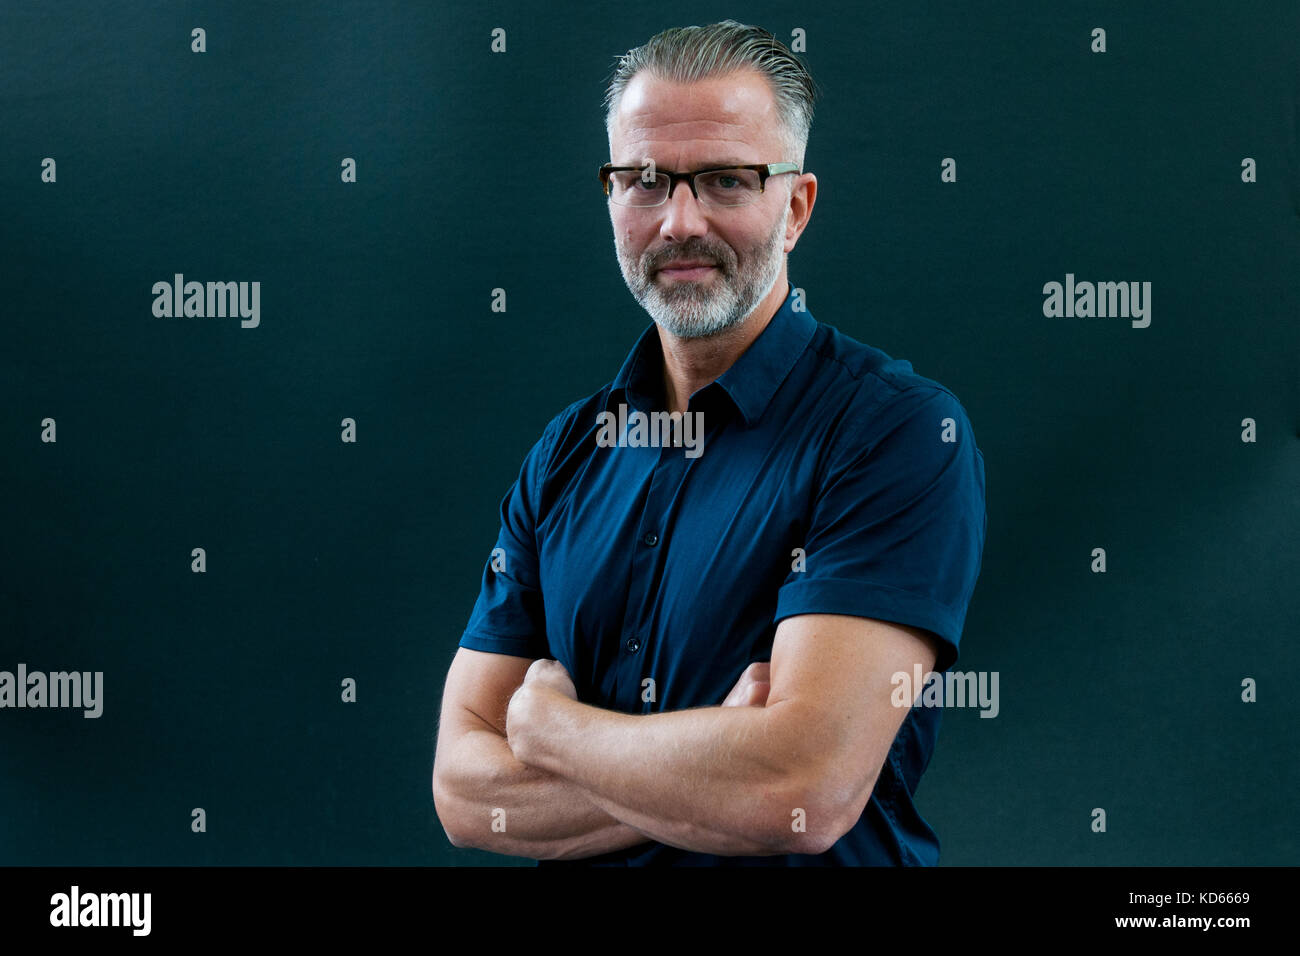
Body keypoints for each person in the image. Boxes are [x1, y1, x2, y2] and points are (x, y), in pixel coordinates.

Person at [432, 19, 986, 865]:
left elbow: (801, 790)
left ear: (795, 206)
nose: (679, 222)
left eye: (726, 181)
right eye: (646, 182)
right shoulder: (567, 454)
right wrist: (715, 765)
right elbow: (465, 792)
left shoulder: (896, 435)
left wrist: (551, 730)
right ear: (611, 196)